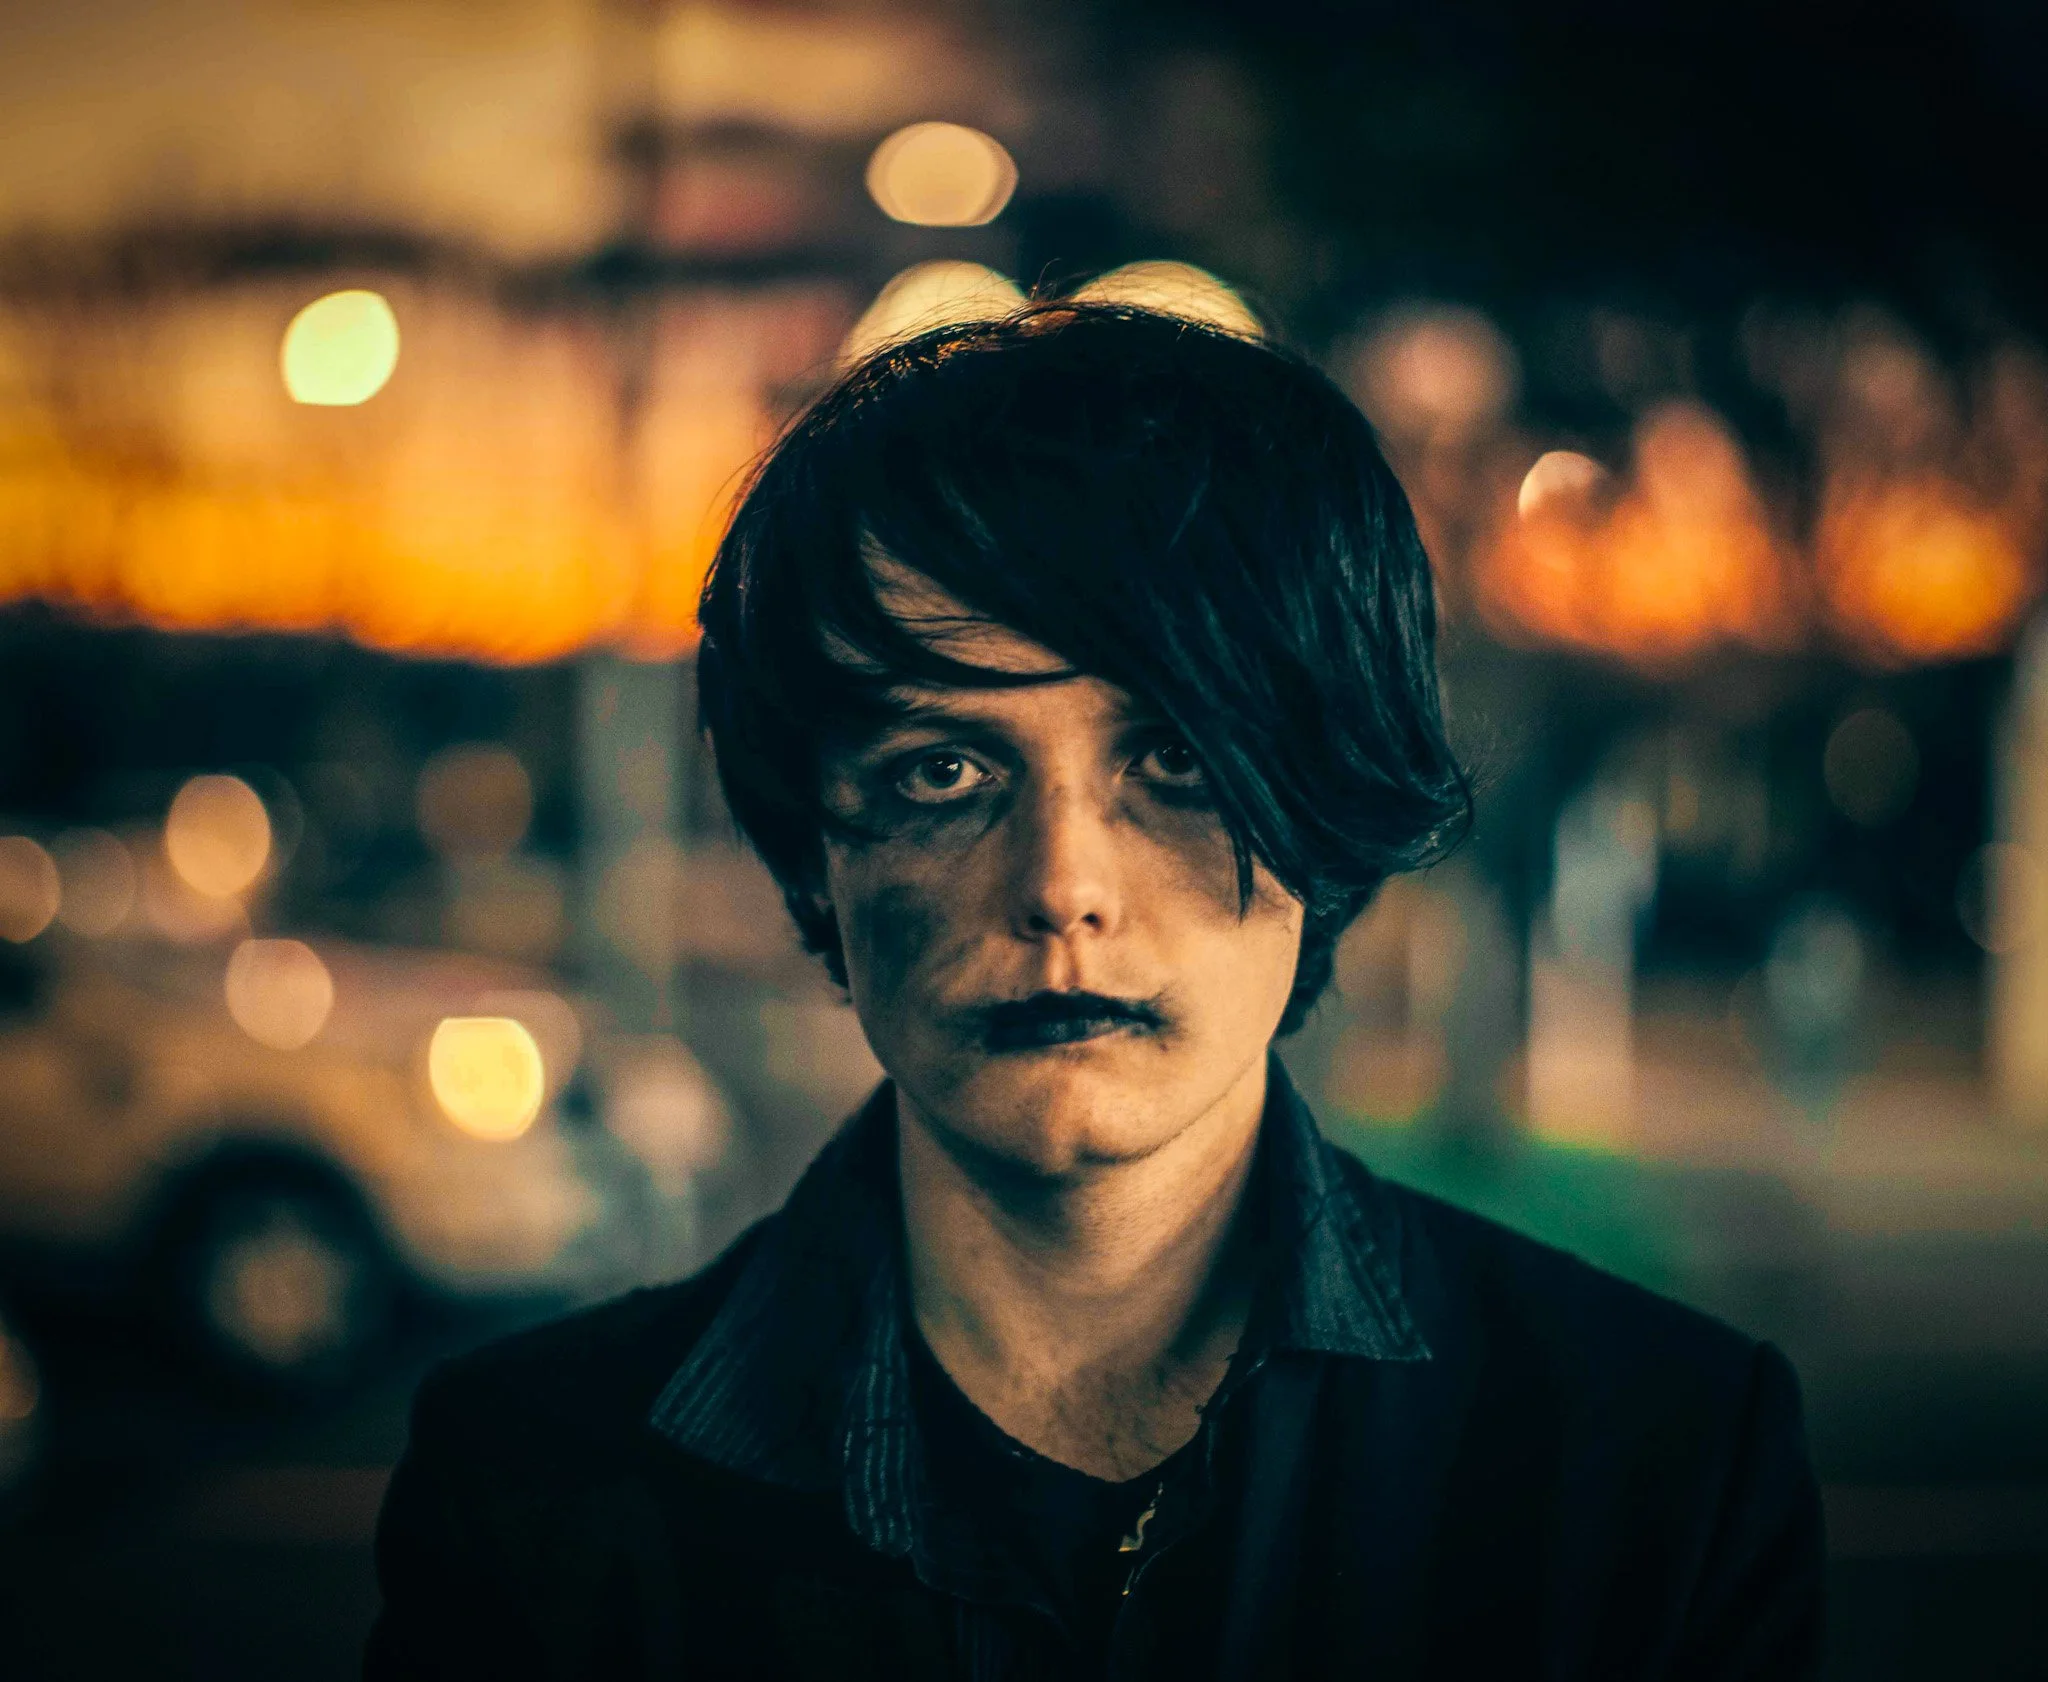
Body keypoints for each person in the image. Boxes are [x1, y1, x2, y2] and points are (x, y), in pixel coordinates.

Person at [364, 304, 1824, 1680]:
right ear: (821, 856)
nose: (1063, 882)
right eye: (943, 770)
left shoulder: (1658, 1461)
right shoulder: (531, 1493)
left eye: (1177, 759)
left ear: (1320, 809)